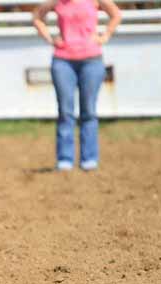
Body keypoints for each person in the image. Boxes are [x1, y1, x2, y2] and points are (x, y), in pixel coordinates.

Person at [33, 0, 121, 171]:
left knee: (88, 110)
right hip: (63, 60)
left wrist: (105, 35)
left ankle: (89, 157)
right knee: (65, 112)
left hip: (91, 60)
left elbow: (116, 14)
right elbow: (37, 17)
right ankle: (65, 158)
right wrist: (51, 39)